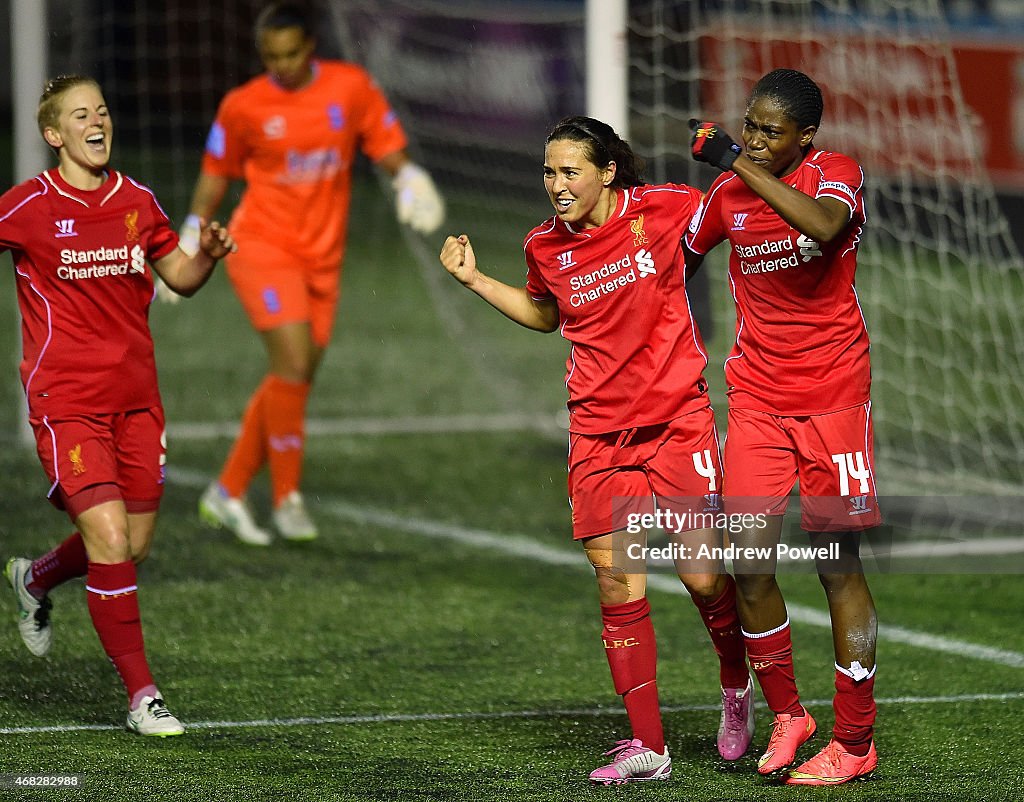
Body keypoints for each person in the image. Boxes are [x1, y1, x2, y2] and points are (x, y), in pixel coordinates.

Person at [439, 116, 755, 784]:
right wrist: (474, 281)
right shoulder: (543, 247)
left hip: (677, 424)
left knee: (701, 577)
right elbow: (545, 315)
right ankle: (649, 748)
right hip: (599, 434)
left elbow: (734, 211)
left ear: (608, 171)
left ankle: (736, 681)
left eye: (570, 171)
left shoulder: (664, 209)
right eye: (549, 172)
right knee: (617, 580)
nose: (557, 185)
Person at [0, 74, 236, 736]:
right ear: (54, 135)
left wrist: (208, 258)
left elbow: (180, 278)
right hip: (67, 399)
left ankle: (35, 579)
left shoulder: (136, 200)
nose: (96, 121)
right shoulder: (28, 206)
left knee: (130, 546)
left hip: (137, 400)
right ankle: (143, 696)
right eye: (80, 115)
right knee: (107, 538)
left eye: (101, 110)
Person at [181, 1, 444, 545]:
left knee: (292, 377)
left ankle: (227, 491)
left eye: (292, 53)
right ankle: (287, 499)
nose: (281, 64)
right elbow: (215, 175)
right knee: (294, 362)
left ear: (311, 47)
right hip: (260, 246)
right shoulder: (243, 105)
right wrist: (190, 232)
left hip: (323, 257)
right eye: (270, 56)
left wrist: (409, 178)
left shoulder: (349, 88)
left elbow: (385, 144)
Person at [684, 68, 881, 785]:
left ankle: (855, 743)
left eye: (772, 131)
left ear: (807, 135)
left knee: (837, 564)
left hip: (833, 399)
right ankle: (789, 713)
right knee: (749, 562)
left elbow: (826, 228)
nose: (757, 139)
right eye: (751, 125)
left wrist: (735, 159)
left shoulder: (838, 175)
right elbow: (677, 257)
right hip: (759, 401)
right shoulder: (727, 195)